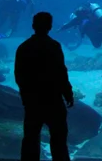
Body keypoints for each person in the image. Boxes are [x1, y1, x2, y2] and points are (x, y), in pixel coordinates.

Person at [15, 12, 74, 161]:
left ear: (33, 26)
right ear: (50, 27)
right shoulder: (54, 46)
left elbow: (19, 75)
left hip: (32, 101)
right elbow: (62, 73)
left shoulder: (23, 47)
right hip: (53, 100)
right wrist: (68, 93)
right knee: (59, 140)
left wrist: (25, 96)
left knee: (30, 138)